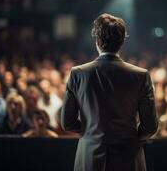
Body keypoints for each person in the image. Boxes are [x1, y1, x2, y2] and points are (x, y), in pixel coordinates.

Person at [61, 13, 158, 171]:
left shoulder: (78, 73)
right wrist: (129, 136)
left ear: (97, 41)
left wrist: (93, 132)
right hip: (129, 158)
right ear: (121, 43)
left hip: (89, 158)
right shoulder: (141, 75)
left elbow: (67, 122)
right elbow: (150, 126)